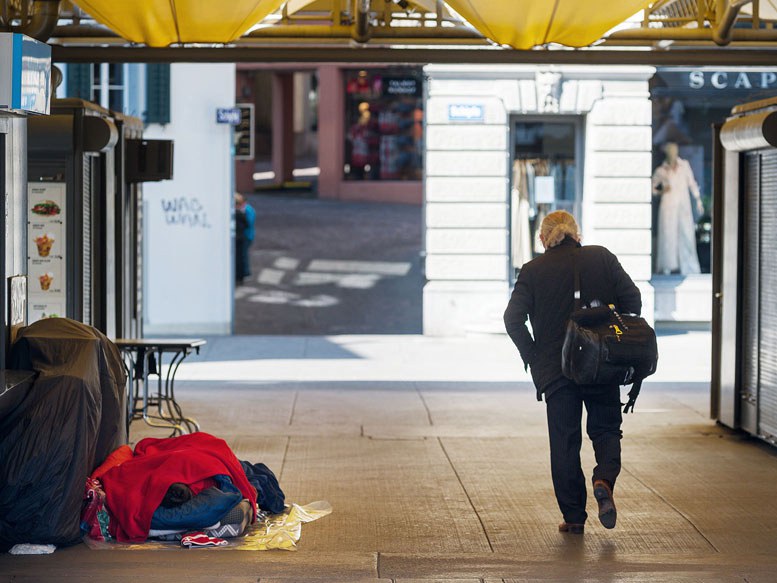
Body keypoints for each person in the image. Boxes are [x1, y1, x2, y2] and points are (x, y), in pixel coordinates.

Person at [503, 210, 641, 535]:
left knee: (564, 442)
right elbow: (632, 301)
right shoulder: (602, 258)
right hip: (601, 364)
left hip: (557, 369)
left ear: (542, 238)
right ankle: (603, 479)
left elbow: (513, 319)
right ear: (577, 232)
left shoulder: (532, 271)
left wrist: (533, 356)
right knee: (606, 430)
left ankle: (574, 517)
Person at [652, 142, 703, 275]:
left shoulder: (684, 166)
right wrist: (661, 190)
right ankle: (668, 266)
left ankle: (689, 266)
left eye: (674, 151)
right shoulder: (661, 170)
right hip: (668, 206)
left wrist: (698, 200)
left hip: (683, 206)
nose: (672, 154)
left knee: (686, 233)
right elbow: (652, 187)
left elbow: (692, 183)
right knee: (668, 236)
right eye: (670, 151)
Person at [234, 193, 255, 285]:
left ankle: (244, 273)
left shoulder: (247, 210)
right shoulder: (243, 210)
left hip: (245, 236)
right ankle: (243, 273)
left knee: (242, 256)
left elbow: (248, 223)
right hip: (244, 236)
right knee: (241, 255)